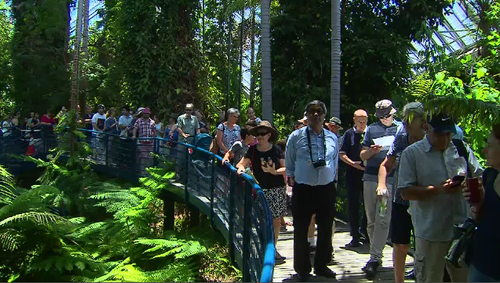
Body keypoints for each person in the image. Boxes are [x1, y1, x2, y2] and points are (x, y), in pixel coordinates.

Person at [398, 112, 483, 282]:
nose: (444, 139)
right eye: (439, 134)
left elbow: (479, 176)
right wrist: (436, 190)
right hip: (431, 231)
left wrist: (473, 186)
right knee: (430, 278)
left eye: (448, 134)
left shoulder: (460, 148)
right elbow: (405, 192)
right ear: (427, 128)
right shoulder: (412, 154)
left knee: (463, 278)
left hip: (461, 229)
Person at [285, 100, 338, 280]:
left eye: (319, 112)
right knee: (300, 229)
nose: (316, 115)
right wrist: (290, 176)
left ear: (324, 116)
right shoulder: (296, 136)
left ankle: (322, 265)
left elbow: (335, 161)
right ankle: (302, 269)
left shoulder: (332, 137)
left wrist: (333, 179)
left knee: (325, 229)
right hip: (303, 188)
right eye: (312, 112)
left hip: (326, 188)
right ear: (306, 115)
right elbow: (290, 158)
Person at [377, 102, 425, 282]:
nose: (406, 122)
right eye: (404, 118)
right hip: (401, 197)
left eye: (411, 119)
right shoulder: (402, 135)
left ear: (422, 121)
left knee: (423, 243)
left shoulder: (432, 136)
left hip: (425, 199)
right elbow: (387, 164)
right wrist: (381, 185)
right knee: (400, 243)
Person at [359, 99, 401, 279]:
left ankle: (375, 257)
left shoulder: (401, 129)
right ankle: (375, 254)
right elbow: (362, 155)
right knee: (371, 220)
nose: (385, 119)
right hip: (369, 177)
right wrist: (372, 151)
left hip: (390, 179)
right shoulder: (371, 129)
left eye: (387, 116)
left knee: (383, 218)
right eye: (382, 116)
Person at [236, 120, 287, 262]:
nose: (260, 136)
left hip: (276, 188)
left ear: (269, 134)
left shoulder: (276, 149)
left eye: (263, 134)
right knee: (262, 220)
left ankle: (273, 248)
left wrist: (274, 171)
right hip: (260, 190)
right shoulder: (252, 150)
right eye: (258, 134)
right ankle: (264, 247)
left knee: (276, 220)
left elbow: (285, 168)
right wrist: (241, 169)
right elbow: (242, 163)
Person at [465, 123, 500, 282]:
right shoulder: (490, 175)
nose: (484, 151)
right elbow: (482, 217)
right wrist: (478, 204)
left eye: (490, 145)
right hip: (482, 262)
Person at [339, 109, 369, 248]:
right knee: (353, 205)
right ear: (354, 120)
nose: (362, 124)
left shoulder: (370, 133)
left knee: (368, 205)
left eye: (364, 121)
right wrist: (353, 164)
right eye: (360, 121)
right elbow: (341, 153)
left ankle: (366, 233)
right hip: (353, 173)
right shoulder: (349, 134)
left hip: (368, 174)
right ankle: (355, 236)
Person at [132, 107, 156, 175]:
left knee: (150, 158)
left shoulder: (152, 122)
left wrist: (154, 138)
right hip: (142, 141)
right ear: (143, 114)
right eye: (145, 113)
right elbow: (135, 128)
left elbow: (154, 131)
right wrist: (134, 135)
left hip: (150, 142)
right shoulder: (139, 121)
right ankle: (142, 172)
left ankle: (148, 172)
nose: (146, 115)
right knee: (143, 156)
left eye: (148, 113)